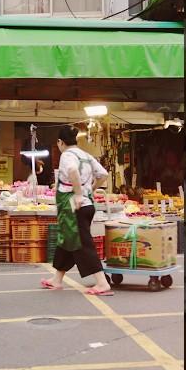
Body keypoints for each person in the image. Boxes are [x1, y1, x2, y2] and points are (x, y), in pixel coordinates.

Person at [41, 126, 112, 296]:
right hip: (87, 206)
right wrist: (91, 190)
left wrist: (79, 194)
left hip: (75, 206)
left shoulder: (67, 155)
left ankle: (102, 283)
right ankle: (57, 280)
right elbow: (103, 174)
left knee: (82, 244)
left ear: (60, 142)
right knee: (66, 241)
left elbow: (72, 171)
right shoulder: (85, 155)